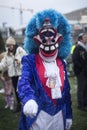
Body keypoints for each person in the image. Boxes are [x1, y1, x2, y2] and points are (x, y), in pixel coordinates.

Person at [18, 9, 72, 130]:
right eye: (44, 35)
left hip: (59, 115)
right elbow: (24, 82)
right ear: (36, 39)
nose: (48, 40)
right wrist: (28, 99)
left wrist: (68, 114)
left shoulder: (61, 62)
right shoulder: (30, 60)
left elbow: (66, 93)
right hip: (39, 116)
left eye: (51, 35)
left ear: (59, 38)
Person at [0, 36, 27, 112]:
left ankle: (25, 105)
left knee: (22, 90)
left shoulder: (20, 50)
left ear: (14, 45)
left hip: (21, 75)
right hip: (13, 76)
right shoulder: (7, 55)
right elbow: (3, 64)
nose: (9, 47)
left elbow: (26, 59)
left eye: (11, 45)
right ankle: (19, 106)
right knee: (16, 91)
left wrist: (20, 61)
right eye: (8, 45)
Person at [72, 33, 87, 111]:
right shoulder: (78, 48)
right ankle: (81, 104)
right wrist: (82, 68)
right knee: (82, 88)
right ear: (81, 39)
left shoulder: (85, 47)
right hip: (81, 72)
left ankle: (85, 103)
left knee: (85, 88)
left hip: (85, 71)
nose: (86, 38)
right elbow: (75, 60)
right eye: (85, 37)